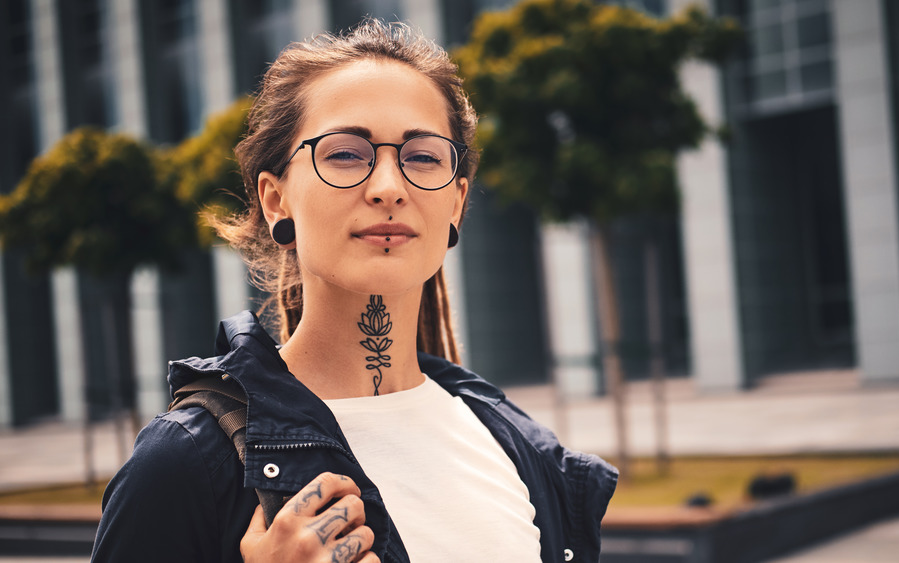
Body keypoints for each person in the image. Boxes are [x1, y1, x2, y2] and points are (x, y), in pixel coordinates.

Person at [92, 19, 617, 563]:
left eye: (422, 157)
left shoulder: (517, 448)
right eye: (345, 153)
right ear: (277, 202)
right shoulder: (189, 461)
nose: (389, 187)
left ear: (456, 202)